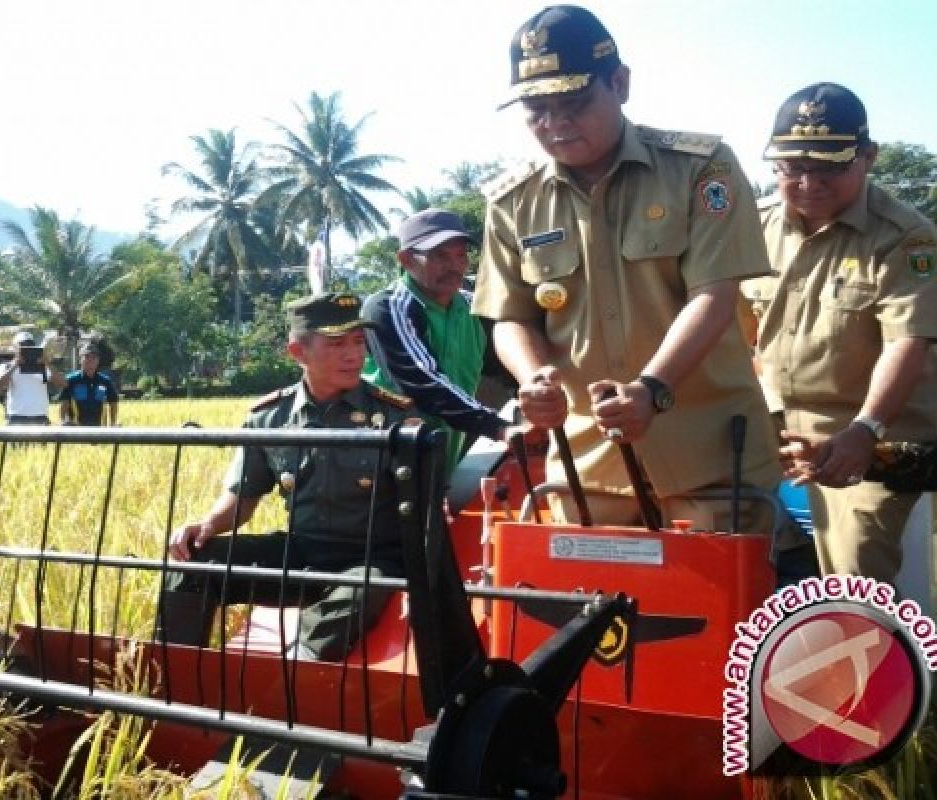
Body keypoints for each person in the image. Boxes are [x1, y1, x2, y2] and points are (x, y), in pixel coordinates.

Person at [471, 5, 781, 530]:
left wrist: (652, 389)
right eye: (536, 110)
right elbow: (512, 317)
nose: (555, 125)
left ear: (620, 82)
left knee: (715, 610)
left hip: (708, 455)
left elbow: (714, 293)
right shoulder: (513, 201)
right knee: (588, 609)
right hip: (586, 463)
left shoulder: (701, 168)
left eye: (572, 102)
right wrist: (533, 379)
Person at [742, 83, 937, 583]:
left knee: (856, 580)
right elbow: (733, 331)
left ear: (868, 157)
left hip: (873, 441)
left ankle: (874, 656)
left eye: (830, 166)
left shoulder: (905, 236)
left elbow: (908, 341)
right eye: (793, 167)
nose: (809, 182)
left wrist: (866, 429)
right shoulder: (755, 228)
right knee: (719, 554)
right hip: (772, 432)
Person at [162, 292, 417, 661]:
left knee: (361, 590)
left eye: (359, 342)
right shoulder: (270, 417)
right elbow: (242, 497)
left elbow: (424, 508)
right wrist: (204, 527)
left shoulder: (395, 418)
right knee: (191, 567)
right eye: (337, 344)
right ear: (298, 352)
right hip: (300, 552)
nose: (354, 354)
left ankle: (293, 682)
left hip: (371, 559)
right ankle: (171, 682)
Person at [362, 209, 517, 477]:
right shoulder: (388, 308)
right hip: (389, 454)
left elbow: (507, 370)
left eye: (460, 255)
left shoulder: (474, 309)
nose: (455, 266)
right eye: (440, 256)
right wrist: (497, 426)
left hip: (447, 449)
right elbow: (421, 381)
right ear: (406, 260)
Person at [0, 331, 66, 425]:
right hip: (16, 417)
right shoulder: (6, 366)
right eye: (22, 345)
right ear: (15, 348)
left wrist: (47, 364)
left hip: (40, 416)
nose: (26, 348)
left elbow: (63, 383)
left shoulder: (43, 367)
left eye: (29, 345)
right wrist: (15, 365)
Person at [59, 342, 119, 426]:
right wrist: (62, 421)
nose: (90, 360)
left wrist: (113, 422)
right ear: (80, 360)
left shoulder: (105, 381)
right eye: (87, 357)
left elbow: (113, 402)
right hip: (76, 430)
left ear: (98, 360)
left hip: (100, 429)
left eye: (94, 357)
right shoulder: (71, 380)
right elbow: (64, 402)